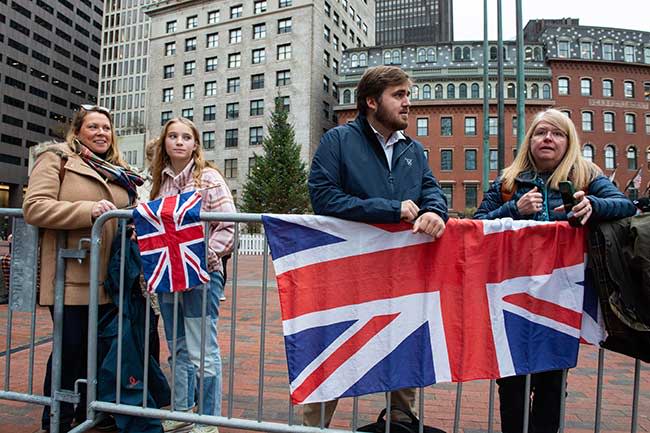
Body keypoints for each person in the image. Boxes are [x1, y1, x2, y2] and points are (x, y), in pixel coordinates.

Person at [474, 108, 636, 433]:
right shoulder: (508, 181)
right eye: (540, 132)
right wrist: (512, 209)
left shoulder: (585, 176)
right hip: (511, 301)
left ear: (568, 141)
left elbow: (626, 204)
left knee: (551, 387)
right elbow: (475, 225)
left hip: (562, 302)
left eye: (557, 133)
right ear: (530, 140)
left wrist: (594, 205)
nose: (548, 138)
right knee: (512, 385)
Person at [307, 65, 448, 427]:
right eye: (399, 95)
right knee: (333, 358)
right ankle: (310, 427)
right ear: (371, 101)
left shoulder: (413, 150)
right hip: (347, 276)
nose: (408, 104)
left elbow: (432, 190)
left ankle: (400, 423)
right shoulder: (337, 141)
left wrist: (435, 212)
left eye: (408, 95)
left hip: (402, 277)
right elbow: (324, 198)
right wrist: (391, 210)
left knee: (404, 354)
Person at [23, 105, 143, 433]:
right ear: (77, 131)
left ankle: (89, 413)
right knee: (70, 352)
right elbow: (34, 207)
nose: (101, 133)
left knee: (100, 353)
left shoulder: (117, 169)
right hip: (71, 277)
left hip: (111, 279)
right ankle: (56, 421)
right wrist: (88, 210)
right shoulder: (57, 159)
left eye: (106, 127)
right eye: (93, 127)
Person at [149, 117, 236, 433]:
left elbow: (228, 226)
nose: (179, 141)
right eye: (173, 136)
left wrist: (204, 256)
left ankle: (208, 419)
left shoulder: (208, 178)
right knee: (178, 347)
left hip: (202, 277)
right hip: (170, 278)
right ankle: (183, 410)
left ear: (195, 144)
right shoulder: (159, 183)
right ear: (165, 143)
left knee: (203, 349)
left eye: (186, 136)